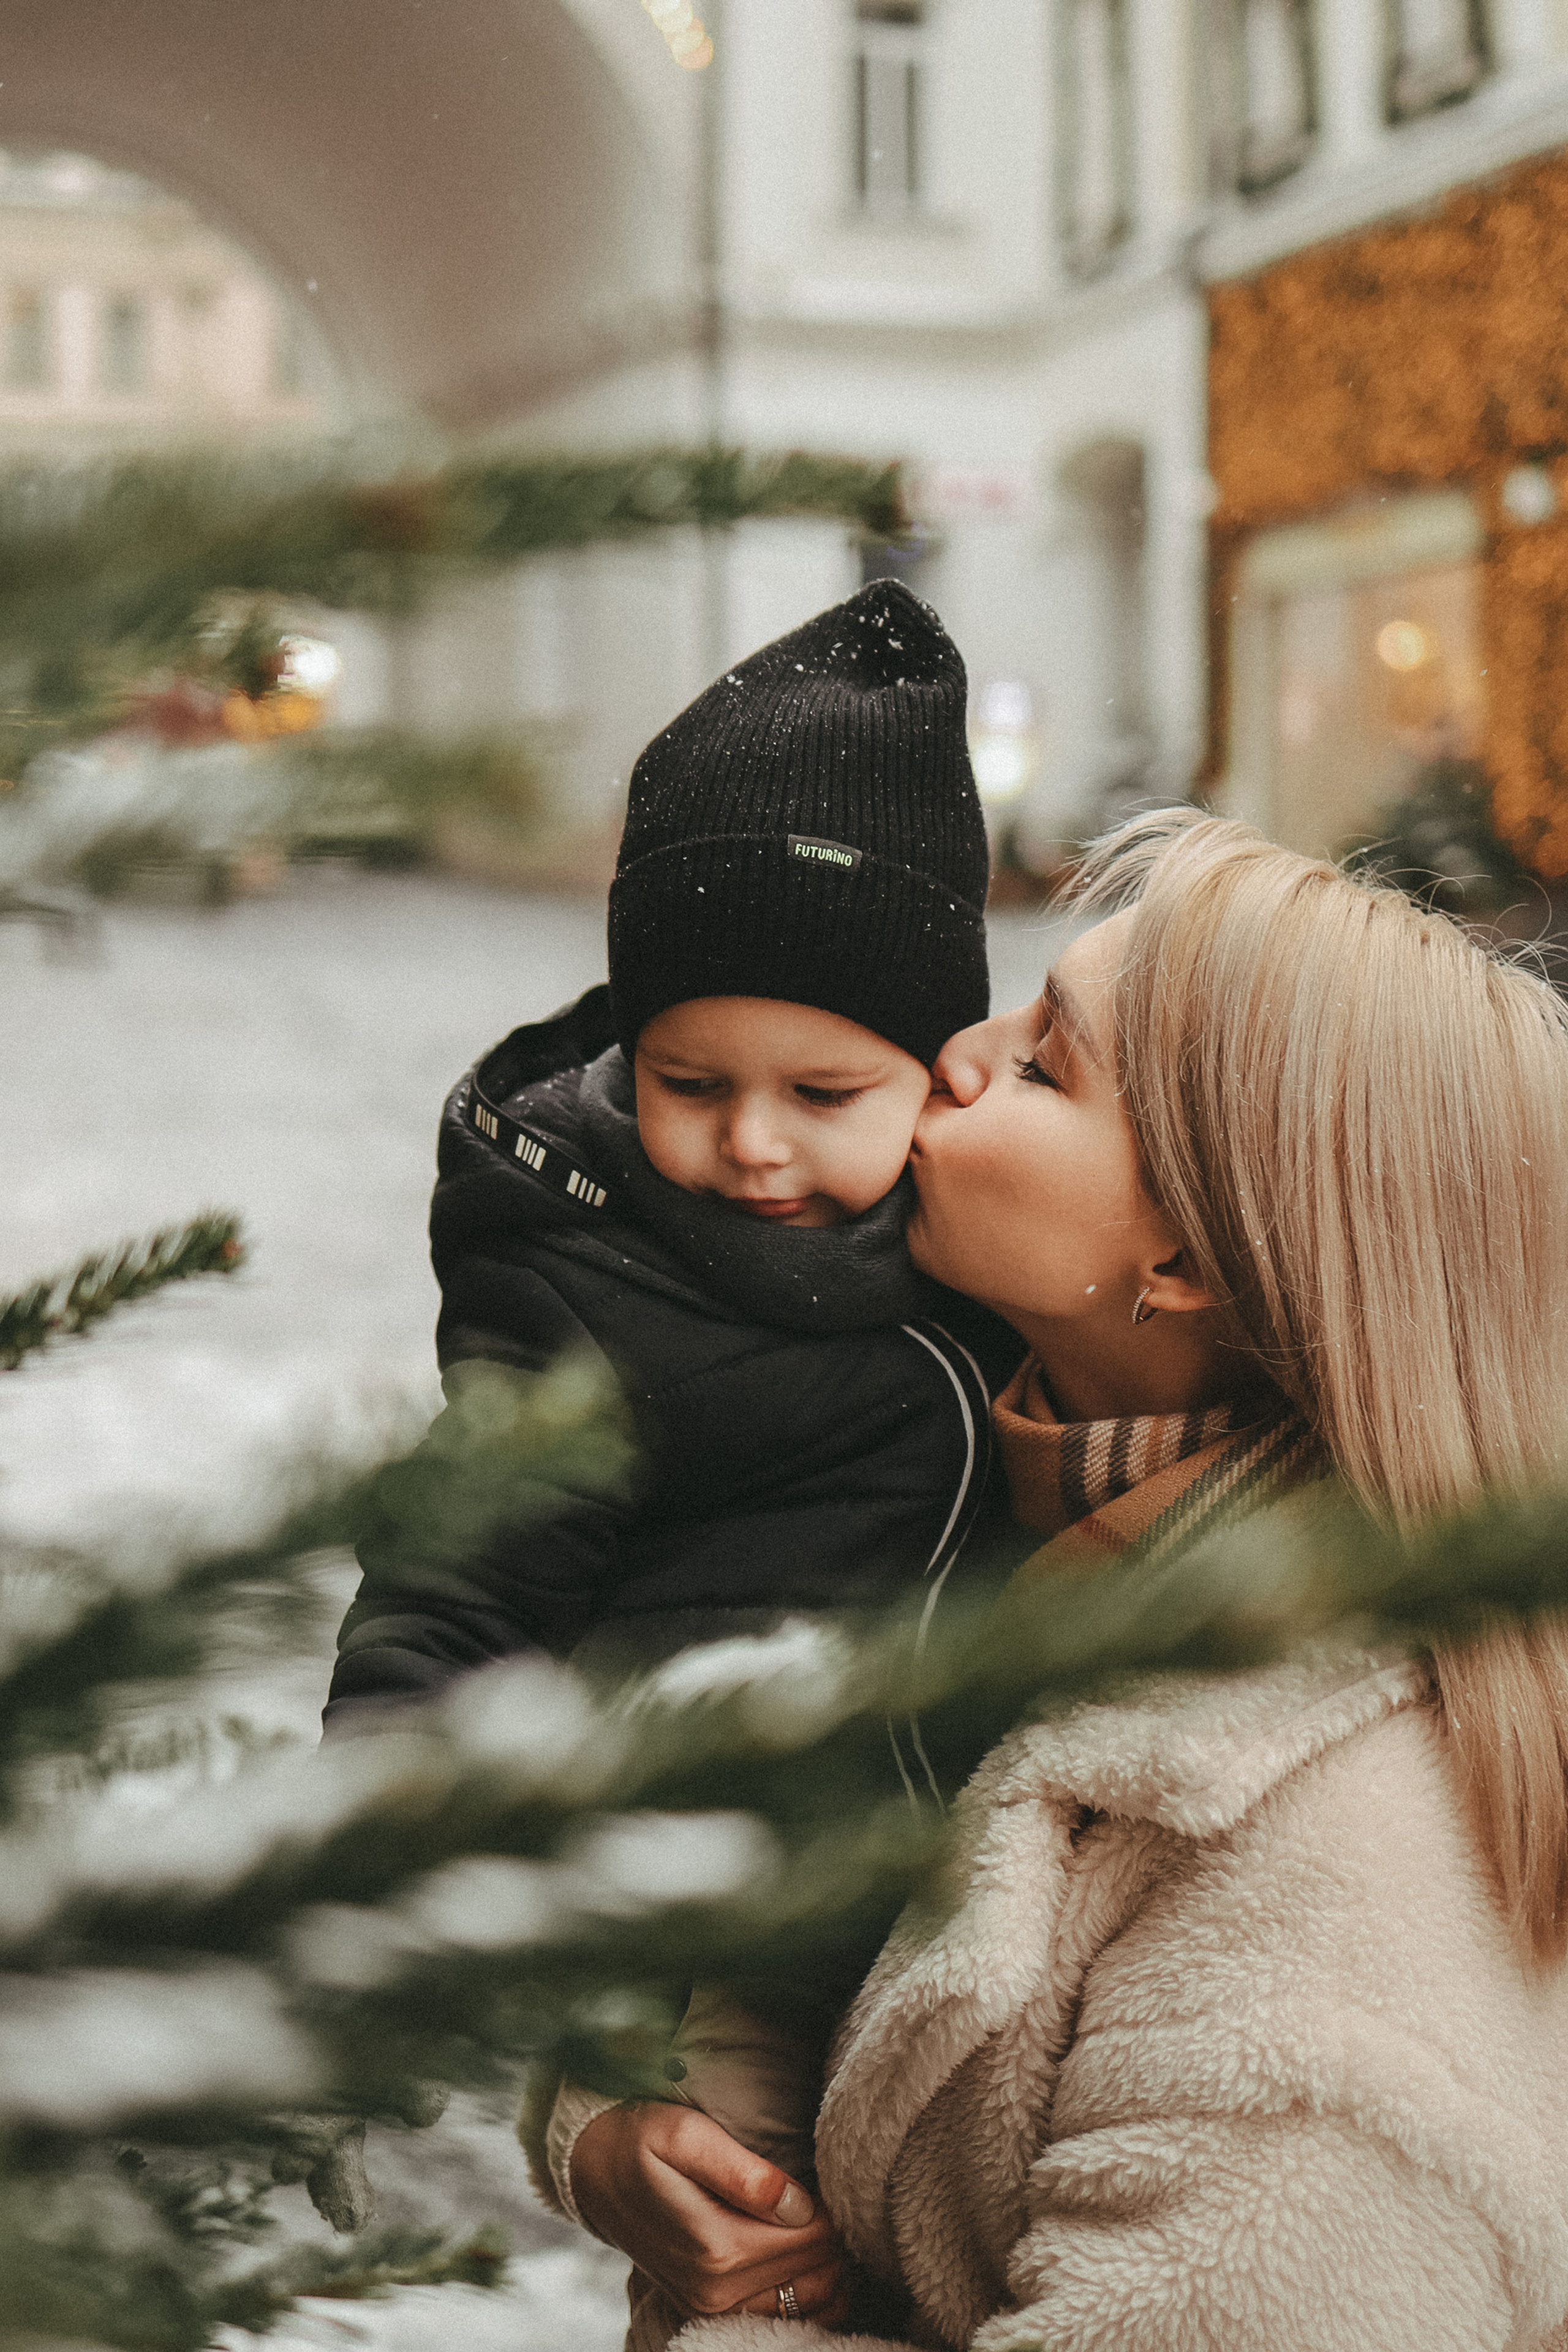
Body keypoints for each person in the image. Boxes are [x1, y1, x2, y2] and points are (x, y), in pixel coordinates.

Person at [560, 810, 1568, 2352]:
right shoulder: (946, 1481)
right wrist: (601, 2129)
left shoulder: (1337, 1907)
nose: (954, 1053)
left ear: (1187, 1263)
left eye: (1041, 1064)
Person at [324, 579, 1023, 2338]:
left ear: (943, 1074)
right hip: (722, 1914)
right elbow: (450, 1590)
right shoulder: (582, 1286)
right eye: (690, 1079)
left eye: (823, 1093)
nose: (751, 1148)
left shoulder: (995, 1238)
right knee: (759, 2265)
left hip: (968, 1882)